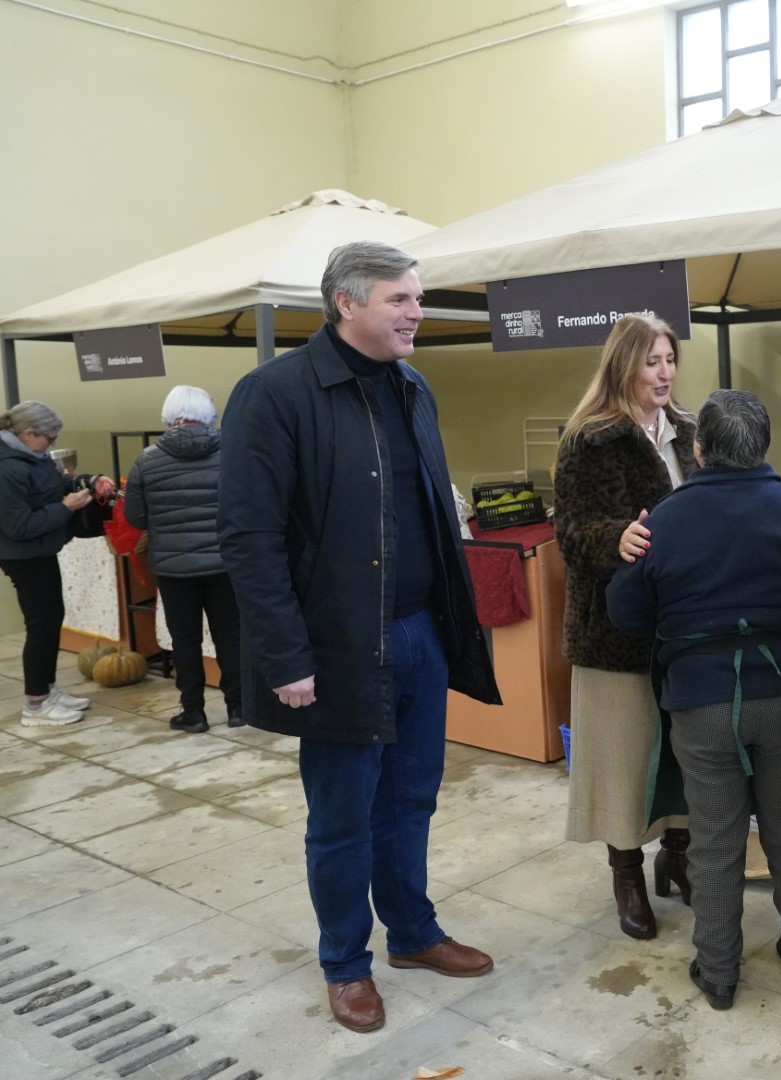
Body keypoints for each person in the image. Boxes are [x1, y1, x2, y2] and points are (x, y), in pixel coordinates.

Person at [218, 241, 500, 1034]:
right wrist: (285, 655)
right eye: (400, 299)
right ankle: (346, 963)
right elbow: (248, 537)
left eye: (418, 298)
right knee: (341, 818)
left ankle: (412, 932)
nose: (417, 312)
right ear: (346, 303)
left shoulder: (413, 387)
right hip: (337, 646)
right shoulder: (273, 394)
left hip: (419, 634)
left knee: (411, 800)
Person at [605, 389, 781, 1010]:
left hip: (701, 698)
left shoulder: (664, 519)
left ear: (699, 449)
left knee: (714, 837)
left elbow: (626, 611)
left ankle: (718, 973)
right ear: (764, 446)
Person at [552, 312, 696, 941]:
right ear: (624, 366)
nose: (664, 373)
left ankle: (679, 857)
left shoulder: (690, 430)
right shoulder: (590, 438)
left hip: (684, 624)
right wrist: (619, 535)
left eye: (669, 361)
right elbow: (570, 530)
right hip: (614, 631)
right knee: (624, 757)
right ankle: (628, 875)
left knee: (687, 750)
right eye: (652, 362)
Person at [123, 386, 242, 734]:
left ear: (169, 415)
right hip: (225, 563)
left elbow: (135, 518)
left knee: (185, 640)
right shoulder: (232, 452)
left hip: (174, 569)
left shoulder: (146, 460)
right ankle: (238, 706)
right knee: (230, 635)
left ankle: (194, 713)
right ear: (209, 414)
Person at [0, 401, 114, 727]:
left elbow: (51, 486)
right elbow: (19, 525)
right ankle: (35, 706)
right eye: (49, 439)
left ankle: (47, 689)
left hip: (41, 551)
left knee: (51, 621)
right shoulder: (7, 468)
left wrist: (88, 481)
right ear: (27, 433)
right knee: (42, 626)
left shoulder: (30, 457)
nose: (51, 444)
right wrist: (65, 508)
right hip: (24, 555)